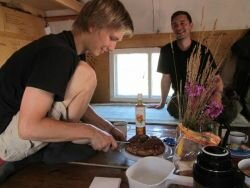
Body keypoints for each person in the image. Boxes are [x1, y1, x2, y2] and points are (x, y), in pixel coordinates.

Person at [0, 0, 134, 182]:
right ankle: (51, 150)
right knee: (86, 75)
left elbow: (70, 99)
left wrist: (107, 128)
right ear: (93, 25)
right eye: (112, 38)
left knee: (83, 74)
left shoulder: (67, 50)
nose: (112, 48)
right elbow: (27, 127)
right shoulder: (58, 53)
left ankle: (56, 144)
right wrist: (90, 132)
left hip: (13, 128)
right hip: (5, 142)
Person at [149, 10, 223, 119]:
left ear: (191, 25)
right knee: (173, 107)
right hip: (181, 97)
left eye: (182, 23)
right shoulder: (166, 50)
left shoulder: (203, 50)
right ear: (172, 28)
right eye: (175, 25)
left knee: (229, 110)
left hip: (202, 95)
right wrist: (162, 103)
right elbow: (166, 78)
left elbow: (216, 78)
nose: (178, 27)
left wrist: (218, 95)